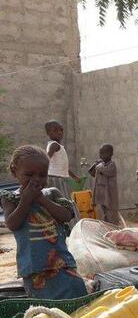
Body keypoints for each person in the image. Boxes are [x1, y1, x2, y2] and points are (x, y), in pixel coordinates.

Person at [1, 146, 87, 299]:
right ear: (15, 172)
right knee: (45, 307)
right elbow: (12, 224)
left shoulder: (52, 193)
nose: (36, 179)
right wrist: (26, 199)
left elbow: (66, 216)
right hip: (34, 268)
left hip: (62, 263)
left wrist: (41, 199)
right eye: (29, 174)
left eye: (42, 175)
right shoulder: (10, 198)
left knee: (76, 293)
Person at [44, 120, 80, 201]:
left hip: (60, 178)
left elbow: (63, 166)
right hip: (56, 179)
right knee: (62, 201)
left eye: (61, 130)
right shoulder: (54, 145)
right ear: (48, 133)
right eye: (55, 130)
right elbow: (46, 158)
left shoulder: (57, 146)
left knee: (61, 200)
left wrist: (74, 176)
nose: (59, 132)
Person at [88, 143, 119, 226]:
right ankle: (105, 229)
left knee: (111, 214)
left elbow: (107, 171)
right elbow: (92, 173)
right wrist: (95, 165)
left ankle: (114, 228)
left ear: (110, 154)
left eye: (103, 153)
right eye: (100, 153)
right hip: (101, 195)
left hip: (109, 194)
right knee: (102, 214)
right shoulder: (100, 165)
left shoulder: (112, 164)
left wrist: (98, 166)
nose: (101, 155)